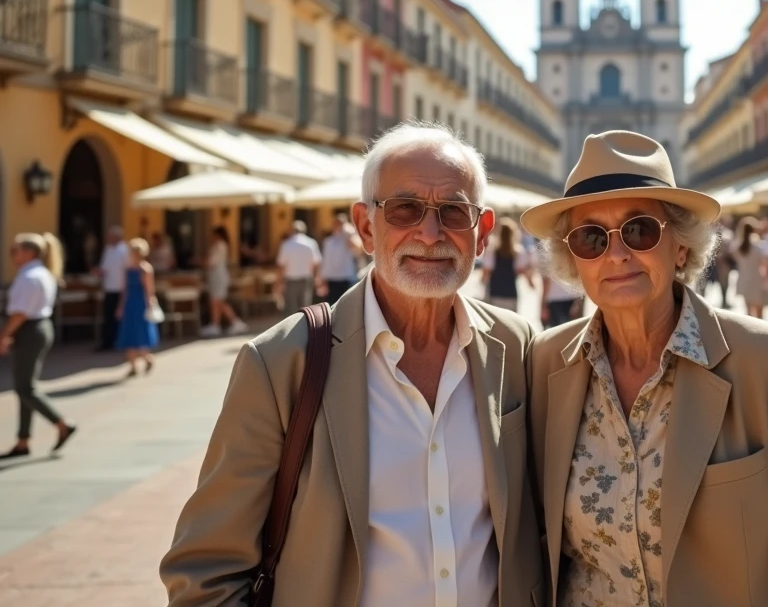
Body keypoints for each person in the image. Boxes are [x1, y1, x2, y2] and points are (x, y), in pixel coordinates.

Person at [161, 123, 544, 605]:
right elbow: (207, 569)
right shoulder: (282, 362)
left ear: (482, 232)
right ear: (365, 227)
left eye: (453, 211)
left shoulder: (516, 346)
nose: (430, 234)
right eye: (405, 209)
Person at [520, 130, 768, 606]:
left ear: (680, 246)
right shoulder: (545, 364)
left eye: (639, 230)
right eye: (591, 238)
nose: (616, 254)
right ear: (574, 261)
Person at [0, 233, 76, 459]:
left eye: (15, 250)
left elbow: (20, 313)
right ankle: (23, 440)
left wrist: (5, 335)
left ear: (29, 252)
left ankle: (61, 423)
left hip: (29, 330)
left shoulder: (30, 277)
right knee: (25, 386)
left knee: (25, 388)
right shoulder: (39, 273)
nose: (12, 255)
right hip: (36, 329)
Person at [116, 238, 160, 377]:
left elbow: (149, 290)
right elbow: (125, 290)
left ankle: (147, 358)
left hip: (141, 304)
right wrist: (121, 306)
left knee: (140, 334)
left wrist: (151, 305)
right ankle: (133, 366)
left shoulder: (145, 269)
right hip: (130, 303)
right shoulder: (128, 269)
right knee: (129, 334)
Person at [200, 227, 248, 338]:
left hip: (218, 277)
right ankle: (218, 324)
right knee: (217, 301)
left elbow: (210, 262)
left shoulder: (219, 246)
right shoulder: (219, 246)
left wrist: (200, 261)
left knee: (217, 301)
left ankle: (231, 322)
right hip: (216, 276)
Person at [480, 217, 530, 312]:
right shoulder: (518, 252)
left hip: (495, 293)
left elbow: (486, 272)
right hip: (511, 293)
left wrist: (482, 283)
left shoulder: (492, 251)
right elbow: (521, 271)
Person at [275, 220, 323, 315]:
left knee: (291, 307)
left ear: (292, 230)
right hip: (306, 278)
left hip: (291, 279)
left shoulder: (287, 244)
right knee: (305, 307)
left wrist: (279, 282)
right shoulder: (311, 243)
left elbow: (281, 265)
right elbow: (316, 262)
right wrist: (317, 277)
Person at [95, 225, 128, 351]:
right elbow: (104, 268)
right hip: (109, 288)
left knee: (119, 317)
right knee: (108, 316)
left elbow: (126, 270)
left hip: (120, 288)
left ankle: (119, 341)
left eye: (110, 236)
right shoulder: (108, 249)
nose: (108, 238)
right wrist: (98, 272)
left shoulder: (124, 250)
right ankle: (108, 342)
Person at [730, 216, 768, 318]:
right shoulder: (759, 246)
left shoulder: (737, 246)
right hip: (757, 279)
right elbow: (764, 262)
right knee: (759, 312)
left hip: (743, 278)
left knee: (748, 312)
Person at [320, 213, 363, 304]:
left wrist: (348, 231)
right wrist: (322, 277)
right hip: (331, 279)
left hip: (345, 277)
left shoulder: (349, 237)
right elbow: (326, 261)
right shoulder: (328, 241)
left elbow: (358, 248)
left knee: (345, 305)